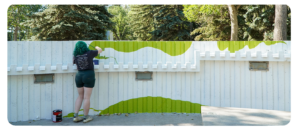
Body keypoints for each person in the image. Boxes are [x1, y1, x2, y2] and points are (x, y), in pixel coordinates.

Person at [72, 41, 102, 123]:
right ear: (85, 47)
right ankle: (86, 117)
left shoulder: (75, 55)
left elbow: (74, 62)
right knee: (86, 97)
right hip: (88, 75)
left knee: (80, 96)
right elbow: (100, 50)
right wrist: (96, 47)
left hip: (79, 76)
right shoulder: (89, 53)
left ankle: (76, 116)